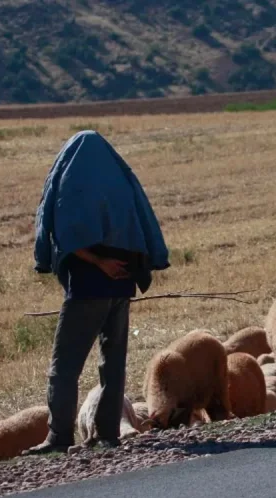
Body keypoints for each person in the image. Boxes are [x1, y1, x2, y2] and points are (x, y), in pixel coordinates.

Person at [24, 130, 170, 455]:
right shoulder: (120, 182)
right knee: (113, 363)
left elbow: (67, 234)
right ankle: (108, 433)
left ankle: (59, 436)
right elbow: (138, 224)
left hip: (89, 287)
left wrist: (99, 262)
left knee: (64, 366)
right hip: (121, 285)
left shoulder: (73, 185)